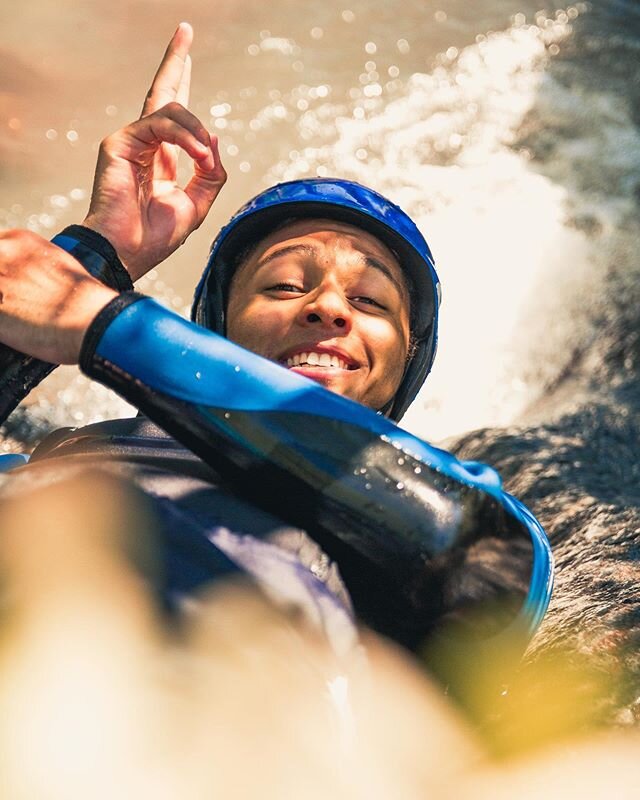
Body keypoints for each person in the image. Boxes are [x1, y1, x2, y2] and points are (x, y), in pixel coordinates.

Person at [0, 24, 550, 658]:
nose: (326, 307)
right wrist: (103, 248)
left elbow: (484, 564)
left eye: (369, 300)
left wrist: (104, 320)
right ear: (218, 328)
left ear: (407, 361)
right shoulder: (70, 451)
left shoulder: (448, 520)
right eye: (286, 285)